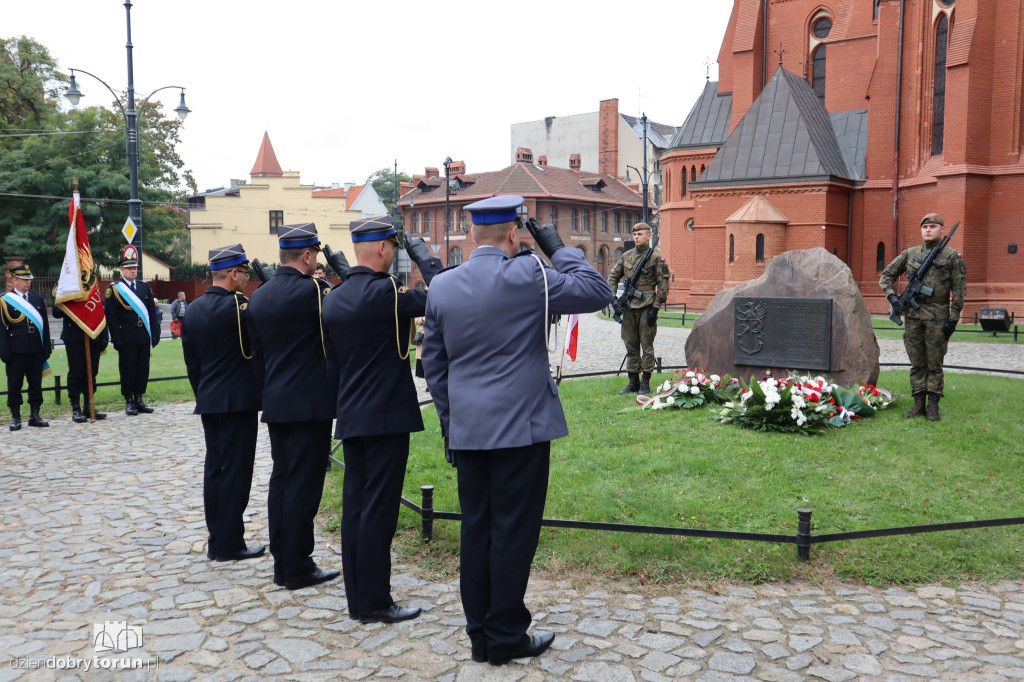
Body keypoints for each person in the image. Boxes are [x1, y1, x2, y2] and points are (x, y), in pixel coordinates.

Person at [422, 195, 612, 666]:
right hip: (522, 431)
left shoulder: (442, 287)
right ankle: (505, 634)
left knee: (477, 529)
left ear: (471, 235)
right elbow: (597, 291)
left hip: (468, 431)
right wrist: (558, 247)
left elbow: (435, 368)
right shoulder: (529, 276)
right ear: (513, 233)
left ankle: (480, 635)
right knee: (513, 533)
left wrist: (451, 426)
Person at [323, 217, 442, 624]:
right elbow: (440, 294)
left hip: (351, 416)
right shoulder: (389, 293)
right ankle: (376, 600)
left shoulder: (333, 299)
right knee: (379, 510)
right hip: (387, 418)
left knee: (355, 508)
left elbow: (333, 367)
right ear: (382, 249)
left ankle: (358, 598)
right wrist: (422, 254)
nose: (393, 253)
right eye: (393, 246)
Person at [247, 223, 343, 590]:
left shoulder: (260, 295)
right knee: (303, 486)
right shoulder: (316, 291)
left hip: (276, 401)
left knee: (282, 482)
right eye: (315, 255)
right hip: (310, 404)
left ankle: (282, 563)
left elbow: (258, 355)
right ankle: (299, 564)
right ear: (306, 256)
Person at [182, 244, 266, 563]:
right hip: (238, 402)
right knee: (236, 472)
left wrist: (203, 393)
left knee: (214, 470)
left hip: (209, 401)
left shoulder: (194, 308)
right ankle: (230, 543)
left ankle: (217, 536)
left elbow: (193, 364)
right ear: (233, 273)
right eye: (244, 273)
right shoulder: (240, 308)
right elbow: (257, 351)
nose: (246, 279)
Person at [880, 212, 967, 421]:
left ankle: (933, 406)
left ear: (941, 230)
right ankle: (918, 403)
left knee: (935, 362)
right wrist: (893, 298)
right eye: (925, 227)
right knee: (917, 361)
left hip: (938, 316)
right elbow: (887, 275)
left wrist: (953, 319)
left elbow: (960, 290)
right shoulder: (910, 254)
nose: (928, 230)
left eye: (933, 226)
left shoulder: (952, 256)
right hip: (912, 315)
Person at [607, 222, 671, 395]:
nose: (636, 237)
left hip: (646, 306)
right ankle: (633, 382)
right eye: (635, 235)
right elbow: (613, 276)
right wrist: (612, 298)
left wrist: (656, 308)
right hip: (628, 307)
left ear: (649, 236)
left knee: (647, 345)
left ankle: (645, 383)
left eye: (640, 234)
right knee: (630, 344)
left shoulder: (656, 257)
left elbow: (663, 284)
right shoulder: (626, 256)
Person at [104, 255, 160, 415]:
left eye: (135, 268)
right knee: (128, 368)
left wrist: (155, 333)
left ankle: (139, 398)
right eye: (129, 268)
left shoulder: (144, 287)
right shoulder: (114, 289)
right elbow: (111, 316)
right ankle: (129, 400)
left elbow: (151, 311)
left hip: (143, 334)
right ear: (122, 270)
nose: (133, 271)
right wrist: (116, 338)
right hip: (126, 336)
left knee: (143, 368)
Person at [1, 264, 51, 430]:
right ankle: (16, 417)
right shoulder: (5, 301)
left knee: (35, 383)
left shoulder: (37, 299)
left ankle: (35, 414)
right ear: (14, 280)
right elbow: (1, 328)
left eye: (29, 279)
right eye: (24, 279)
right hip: (16, 351)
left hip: (35, 349)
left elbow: (45, 326)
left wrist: (46, 347)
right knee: (15, 384)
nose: (28, 282)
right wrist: (4, 351)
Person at [52, 288, 109, 423]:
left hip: (93, 334)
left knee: (92, 372)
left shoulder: (90, 283)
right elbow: (56, 312)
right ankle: (76, 408)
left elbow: (99, 310)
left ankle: (89, 406)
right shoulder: (65, 284)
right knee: (76, 372)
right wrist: (77, 306)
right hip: (74, 336)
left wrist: (103, 335)